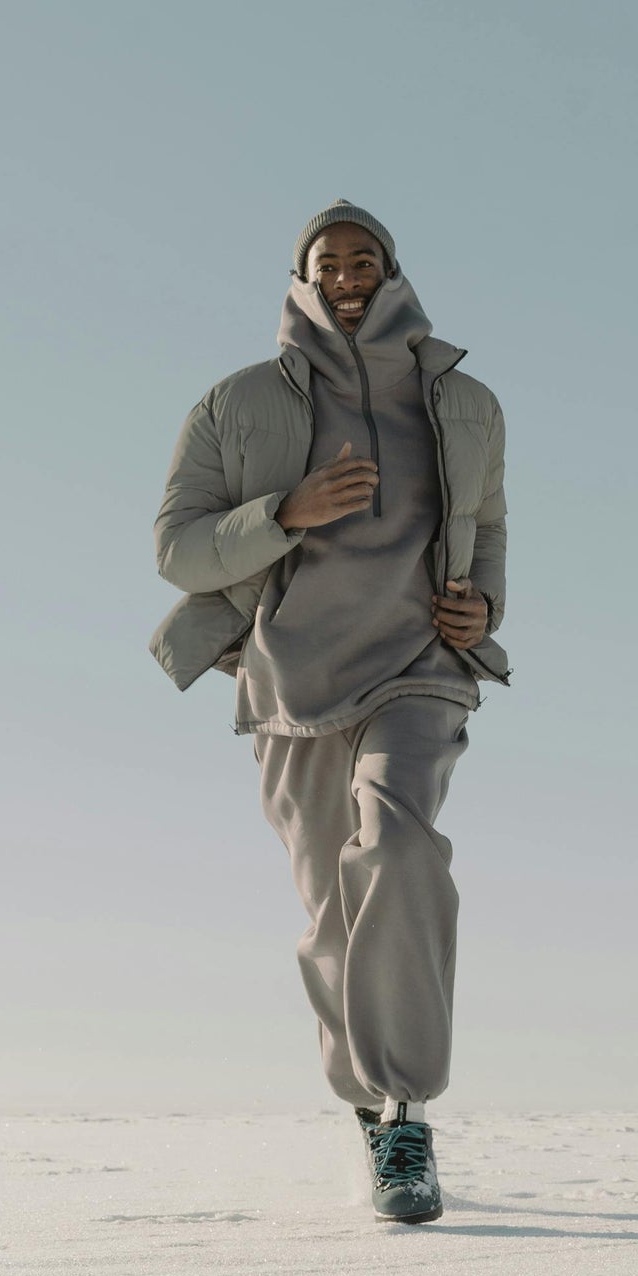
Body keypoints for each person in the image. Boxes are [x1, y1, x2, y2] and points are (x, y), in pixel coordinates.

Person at [150, 199, 509, 1223]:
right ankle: (363, 1106)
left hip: (419, 669)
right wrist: (285, 513)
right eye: (328, 262)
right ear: (301, 281)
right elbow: (178, 547)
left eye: (365, 259)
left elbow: (485, 532)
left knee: (396, 847)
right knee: (331, 913)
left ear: (392, 271)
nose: (347, 274)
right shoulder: (238, 402)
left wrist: (482, 607)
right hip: (292, 682)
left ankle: (403, 1111)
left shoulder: (467, 402)